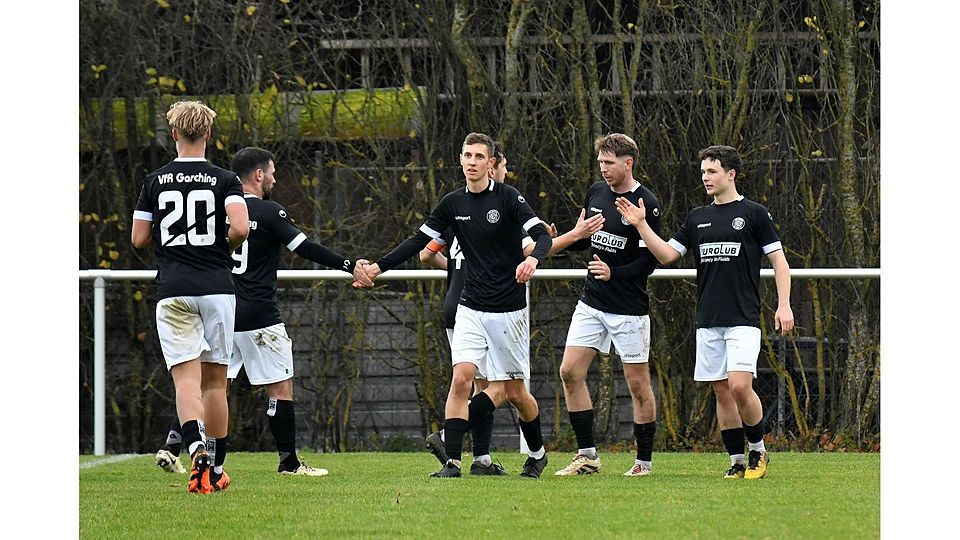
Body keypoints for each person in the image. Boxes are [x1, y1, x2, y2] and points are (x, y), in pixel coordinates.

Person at [156, 147, 373, 478]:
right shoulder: (270, 212)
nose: (275, 177)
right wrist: (349, 265)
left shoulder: (214, 211)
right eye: (272, 172)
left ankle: (179, 446)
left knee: (208, 386)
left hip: (222, 311)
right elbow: (305, 248)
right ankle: (288, 462)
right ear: (258, 175)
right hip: (259, 316)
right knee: (279, 388)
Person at [356, 132, 554, 478]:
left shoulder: (508, 198)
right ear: (460, 160)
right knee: (461, 379)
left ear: (491, 163)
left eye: (479, 156)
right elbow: (420, 241)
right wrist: (377, 266)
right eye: (467, 155)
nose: (472, 162)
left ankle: (537, 454)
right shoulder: (452, 203)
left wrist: (534, 260)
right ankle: (452, 463)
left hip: (509, 311)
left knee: (515, 392)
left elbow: (543, 236)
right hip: (470, 308)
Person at [615, 144, 794, 480]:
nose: (705, 178)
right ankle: (737, 461)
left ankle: (758, 451)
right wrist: (640, 225)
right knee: (722, 390)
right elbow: (668, 255)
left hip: (743, 318)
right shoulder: (698, 217)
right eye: (702, 173)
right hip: (708, 320)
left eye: (712, 171)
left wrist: (784, 305)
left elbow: (780, 262)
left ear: (731, 174)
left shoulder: (754, 214)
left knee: (740, 385)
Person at [418, 144, 599, 475]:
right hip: (471, 306)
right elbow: (531, 247)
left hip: (479, 306)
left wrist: (456, 270)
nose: (494, 170)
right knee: (482, 384)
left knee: (498, 387)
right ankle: (456, 448)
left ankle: (483, 457)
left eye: (485, 160)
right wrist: (571, 236)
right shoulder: (465, 208)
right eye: (500, 165)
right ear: (493, 166)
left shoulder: (504, 206)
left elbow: (427, 254)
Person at [131, 100, 249, 494]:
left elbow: (138, 238)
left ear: (175, 134)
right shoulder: (225, 179)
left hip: (174, 288)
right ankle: (213, 469)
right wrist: (223, 246)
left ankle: (193, 443)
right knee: (216, 383)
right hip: (217, 285)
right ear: (209, 135)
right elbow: (241, 226)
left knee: (185, 378)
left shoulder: (154, 180)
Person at [543, 133, 663, 477]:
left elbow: (650, 261)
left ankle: (643, 462)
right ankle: (588, 457)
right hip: (592, 301)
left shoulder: (646, 203)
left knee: (638, 385)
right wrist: (569, 238)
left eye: (609, 163)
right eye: (600, 163)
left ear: (629, 163)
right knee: (569, 371)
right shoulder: (597, 193)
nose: (603, 169)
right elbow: (588, 240)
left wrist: (616, 273)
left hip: (628, 307)